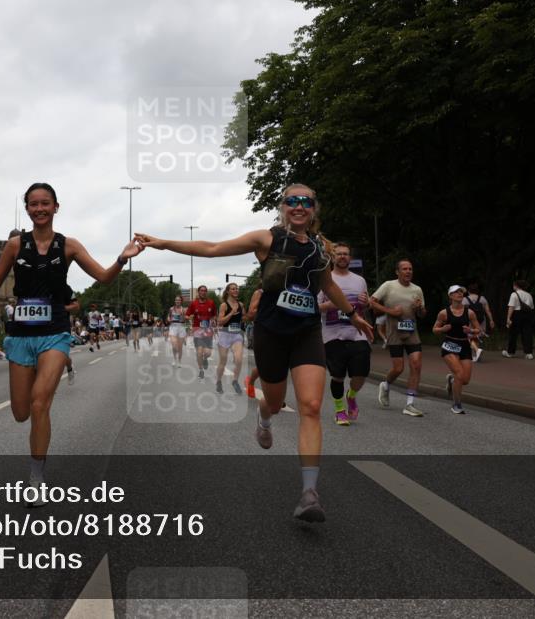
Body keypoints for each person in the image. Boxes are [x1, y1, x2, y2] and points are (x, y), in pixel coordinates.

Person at [136, 183, 372, 522]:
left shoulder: (320, 248)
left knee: (311, 405)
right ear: (283, 206)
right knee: (274, 401)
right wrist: (162, 242)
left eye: (306, 201)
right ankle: (264, 415)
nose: (299, 206)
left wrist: (353, 316)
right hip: (271, 333)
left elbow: (328, 286)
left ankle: (309, 493)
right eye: (293, 201)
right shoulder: (267, 239)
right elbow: (213, 247)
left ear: (314, 209)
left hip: (306, 332)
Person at [0, 183, 141, 502]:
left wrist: (122, 259)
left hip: (55, 333)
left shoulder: (69, 246)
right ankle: (35, 455)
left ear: (56, 207)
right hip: (20, 335)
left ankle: (36, 477)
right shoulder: (16, 246)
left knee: (40, 402)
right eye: (34, 204)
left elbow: (103, 277)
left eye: (46, 203)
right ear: (28, 209)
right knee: (20, 412)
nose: (40, 208)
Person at [318, 242, 372, 425]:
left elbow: (364, 305)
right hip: (332, 334)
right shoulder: (325, 280)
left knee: (361, 373)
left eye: (346, 254)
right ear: (333, 257)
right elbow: (315, 307)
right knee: (338, 376)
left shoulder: (359, 280)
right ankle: (340, 410)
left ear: (350, 257)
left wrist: (366, 302)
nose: (342, 257)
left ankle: (352, 395)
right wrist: (330, 305)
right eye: (339, 254)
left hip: (357, 333)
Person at [371, 259, 427, 416]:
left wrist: (419, 308)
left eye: (410, 269)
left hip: (412, 331)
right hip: (394, 331)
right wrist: (390, 311)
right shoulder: (389, 286)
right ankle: (386, 385)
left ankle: (410, 404)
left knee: (416, 364)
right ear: (397, 272)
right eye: (404, 269)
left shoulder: (417, 289)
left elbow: (423, 314)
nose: (408, 271)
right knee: (398, 368)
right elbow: (372, 302)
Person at [433, 285, 480, 415]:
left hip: (464, 345)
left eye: (461, 292)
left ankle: (452, 381)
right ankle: (456, 404)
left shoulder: (469, 312)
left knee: (465, 380)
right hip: (449, 344)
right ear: (450, 296)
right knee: (459, 373)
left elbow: (478, 330)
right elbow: (434, 329)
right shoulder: (444, 313)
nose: (459, 294)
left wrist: (471, 330)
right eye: (456, 292)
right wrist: (442, 329)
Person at [215, 283, 246, 394]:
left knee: (239, 359)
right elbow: (220, 321)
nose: (236, 290)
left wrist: (246, 316)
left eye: (237, 288)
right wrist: (232, 313)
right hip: (225, 334)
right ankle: (218, 381)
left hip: (237, 335)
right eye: (233, 289)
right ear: (228, 291)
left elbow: (243, 318)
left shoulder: (241, 305)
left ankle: (235, 381)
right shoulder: (224, 305)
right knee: (223, 361)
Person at [186, 285, 217, 379]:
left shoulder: (211, 303)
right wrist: (189, 317)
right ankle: (201, 370)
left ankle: (205, 359)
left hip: (208, 331)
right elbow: (187, 315)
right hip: (197, 331)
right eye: (201, 291)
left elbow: (214, 315)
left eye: (205, 291)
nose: (203, 292)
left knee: (208, 353)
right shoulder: (193, 304)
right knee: (199, 352)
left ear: (206, 292)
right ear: (198, 292)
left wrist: (213, 321)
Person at [462, 279, 494, 363]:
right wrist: (491, 320)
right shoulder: (482, 299)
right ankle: (476, 356)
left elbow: (462, 312)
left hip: (469, 321)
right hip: (481, 321)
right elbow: (488, 311)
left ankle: (476, 350)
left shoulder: (465, 300)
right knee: (476, 337)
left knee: (468, 337)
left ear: (468, 291)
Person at [503, 280, 534, 359]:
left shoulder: (514, 294)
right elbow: (532, 307)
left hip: (516, 314)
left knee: (513, 333)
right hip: (528, 314)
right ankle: (528, 353)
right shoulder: (529, 295)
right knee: (527, 333)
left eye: (514, 285)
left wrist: (508, 318)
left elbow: (511, 307)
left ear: (516, 286)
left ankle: (510, 352)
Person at [244, 289, 262, 398]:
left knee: (283, 364)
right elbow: (250, 314)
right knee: (264, 365)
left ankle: (277, 396)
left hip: (286, 332)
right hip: (264, 331)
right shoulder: (260, 292)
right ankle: (250, 382)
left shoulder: (292, 289)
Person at [167, 296, 187, 367]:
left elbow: (185, 320)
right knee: (174, 345)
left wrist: (183, 318)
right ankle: (174, 359)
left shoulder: (183, 310)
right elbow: (168, 316)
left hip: (181, 328)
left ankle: (179, 361)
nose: (177, 301)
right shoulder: (171, 309)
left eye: (179, 300)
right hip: (173, 327)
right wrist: (169, 319)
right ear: (175, 301)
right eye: (176, 300)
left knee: (180, 347)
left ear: (181, 301)